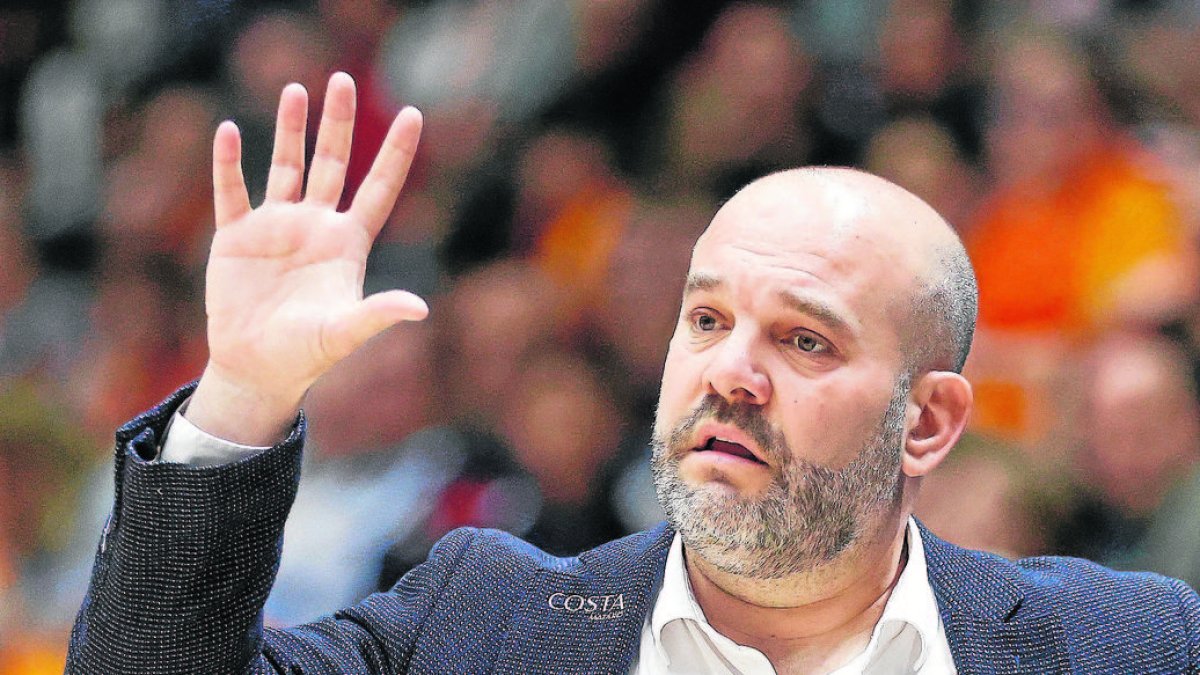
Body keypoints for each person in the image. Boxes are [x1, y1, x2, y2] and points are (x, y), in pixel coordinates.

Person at [67, 73, 1199, 674]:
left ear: (930, 421)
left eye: (805, 341)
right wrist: (243, 398)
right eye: (705, 320)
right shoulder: (485, 625)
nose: (733, 373)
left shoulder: (1128, 648)